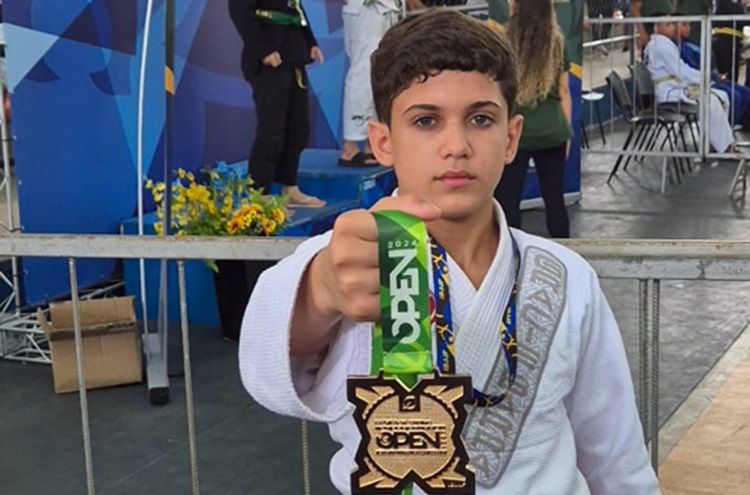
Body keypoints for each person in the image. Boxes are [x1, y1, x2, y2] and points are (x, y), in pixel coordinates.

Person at [240, 9, 660, 495]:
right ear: (383, 142)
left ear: (511, 138)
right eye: (426, 121)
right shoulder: (350, 261)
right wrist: (318, 294)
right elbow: (264, 367)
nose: (456, 145)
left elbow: (615, 455)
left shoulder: (566, 275)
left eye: (480, 119)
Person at [228, 0, 327, 207]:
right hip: (270, 57)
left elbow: (294, 6)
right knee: (272, 128)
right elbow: (239, 11)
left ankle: (290, 186)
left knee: (299, 126)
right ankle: (260, 193)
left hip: (293, 54)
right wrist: (263, 50)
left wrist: (310, 41)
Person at [493, 0, 572, 238]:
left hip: (515, 134)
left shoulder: (503, 42)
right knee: (555, 200)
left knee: (508, 200)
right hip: (553, 131)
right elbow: (564, 91)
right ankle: (564, 252)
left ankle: (512, 254)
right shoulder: (557, 44)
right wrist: (567, 133)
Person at [645, 15, 735, 152]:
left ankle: (714, 143)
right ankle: (724, 148)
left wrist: (703, 78)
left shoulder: (661, 43)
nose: (672, 27)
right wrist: (705, 78)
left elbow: (680, 70)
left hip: (673, 86)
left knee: (722, 96)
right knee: (711, 101)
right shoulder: (661, 45)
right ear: (656, 28)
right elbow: (680, 72)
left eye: (672, 24)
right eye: (668, 25)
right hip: (668, 91)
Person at [338, 0, 402, 167]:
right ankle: (350, 146)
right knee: (364, 72)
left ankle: (371, 143)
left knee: (380, 71)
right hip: (366, 9)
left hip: (385, 8)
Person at [675, 19, 750, 129]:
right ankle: (724, 131)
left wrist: (715, 74)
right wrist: (711, 77)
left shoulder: (693, 43)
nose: (688, 28)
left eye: (689, 25)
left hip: (711, 76)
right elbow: (690, 69)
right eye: (684, 25)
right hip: (698, 81)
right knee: (734, 96)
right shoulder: (676, 47)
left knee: (745, 92)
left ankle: (740, 125)